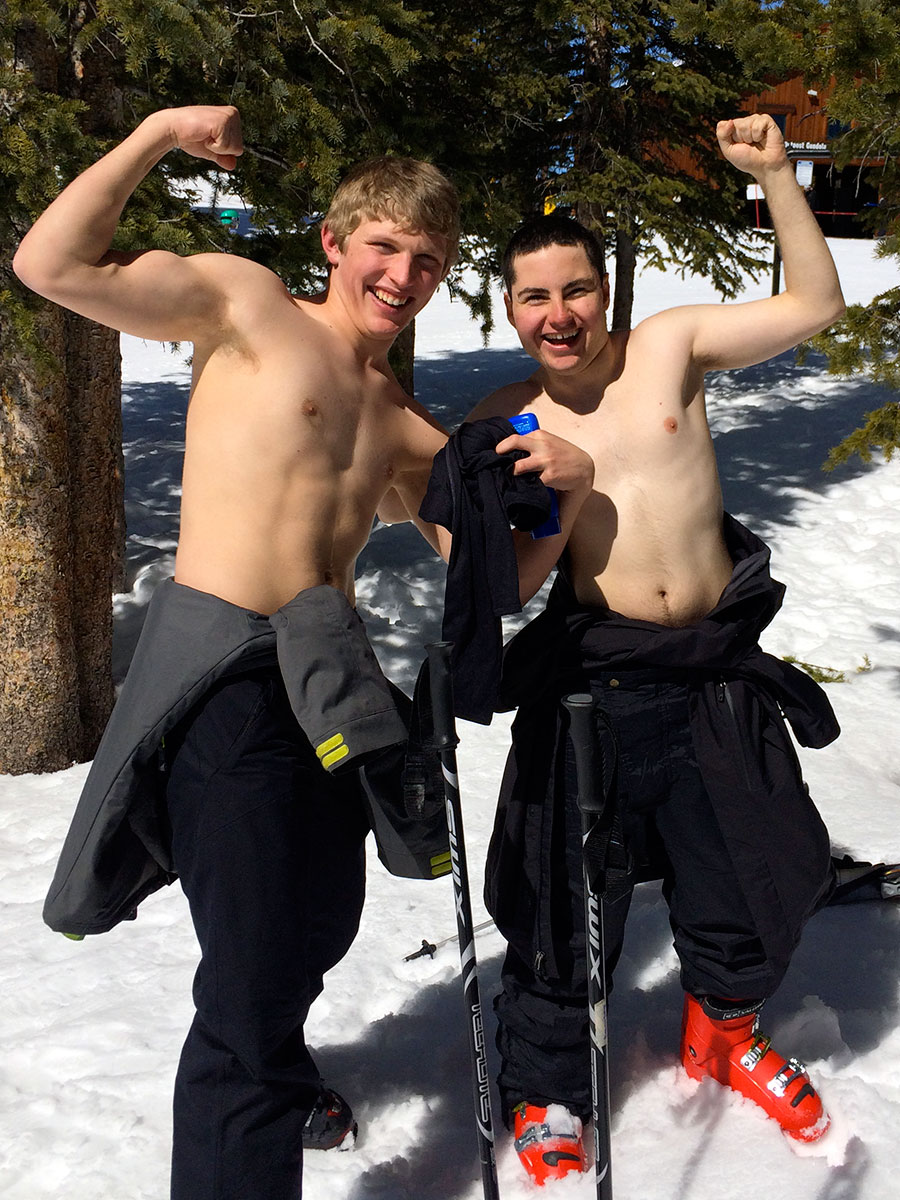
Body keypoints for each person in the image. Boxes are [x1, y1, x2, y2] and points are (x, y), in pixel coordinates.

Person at [13, 105, 593, 1199]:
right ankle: (246, 1123)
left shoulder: (401, 421)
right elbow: (51, 262)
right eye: (384, 245)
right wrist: (156, 135)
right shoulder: (246, 306)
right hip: (222, 672)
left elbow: (493, 581)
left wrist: (571, 498)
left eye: (427, 260)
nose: (402, 273)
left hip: (324, 684)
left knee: (320, 914)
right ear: (335, 243)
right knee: (256, 963)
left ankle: (275, 1060)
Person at [466, 114, 848, 1184]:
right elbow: (473, 556)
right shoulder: (508, 418)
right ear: (509, 307)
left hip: (716, 668)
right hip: (599, 684)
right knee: (555, 898)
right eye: (535, 295)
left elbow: (816, 305)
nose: (559, 313)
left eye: (576, 289)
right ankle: (547, 1086)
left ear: (607, 290)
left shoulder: (670, 348)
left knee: (750, 866)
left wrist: (776, 174)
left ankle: (724, 1026)